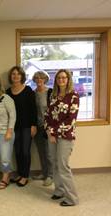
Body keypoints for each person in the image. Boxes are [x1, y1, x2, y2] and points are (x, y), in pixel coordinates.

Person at [44, 69, 79, 207]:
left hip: (65, 135)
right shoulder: (53, 95)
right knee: (55, 163)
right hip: (52, 135)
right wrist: (49, 131)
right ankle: (59, 191)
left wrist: (53, 132)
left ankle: (72, 198)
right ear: (56, 80)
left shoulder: (73, 96)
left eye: (64, 77)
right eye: (59, 77)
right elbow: (47, 115)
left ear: (68, 79)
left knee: (63, 166)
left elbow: (71, 119)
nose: (61, 80)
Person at [6, 66, 37, 187]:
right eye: (13, 74)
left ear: (22, 76)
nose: (15, 76)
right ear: (11, 76)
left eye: (18, 74)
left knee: (25, 151)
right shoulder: (8, 92)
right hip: (14, 126)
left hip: (27, 126)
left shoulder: (28, 90)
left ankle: (25, 176)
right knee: (17, 151)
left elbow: (33, 109)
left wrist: (33, 125)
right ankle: (20, 174)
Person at [31, 71, 53, 186]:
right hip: (37, 126)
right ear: (34, 80)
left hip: (48, 127)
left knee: (49, 152)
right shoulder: (33, 93)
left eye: (41, 78)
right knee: (41, 151)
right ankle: (44, 173)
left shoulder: (50, 92)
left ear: (45, 79)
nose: (39, 80)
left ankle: (50, 175)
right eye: (37, 78)